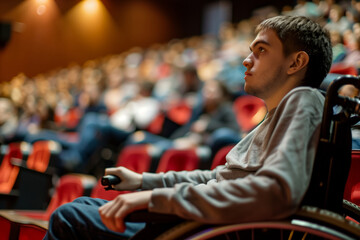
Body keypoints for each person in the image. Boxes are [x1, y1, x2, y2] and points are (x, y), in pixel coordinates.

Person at [43, 15, 333, 239]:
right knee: (81, 206)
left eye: (261, 50)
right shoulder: (277, 114)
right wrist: (144, 181)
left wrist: (158, 199)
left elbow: (277, 192)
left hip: (212, 231)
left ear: (296, 62)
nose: (246, 60)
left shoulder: (303, 99)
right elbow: (218, 178)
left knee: (69, 216)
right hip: (201, 223)